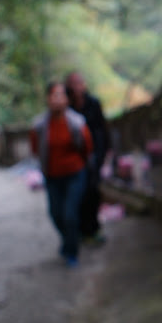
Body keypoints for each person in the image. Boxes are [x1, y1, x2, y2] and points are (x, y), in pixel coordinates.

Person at [30, 82, 93, 267]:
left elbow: (87, 148)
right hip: (52, 176)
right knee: (55, 214)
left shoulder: (77, 122)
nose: (56, 99)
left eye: (60, 95)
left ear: (67, 100)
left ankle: (71, 252)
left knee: (70, 214)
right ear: (48, 99)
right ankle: (68, 241)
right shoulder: (39, 125)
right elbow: (35, 149)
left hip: (75, 174)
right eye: (53, 95)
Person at [65, 71, 110, 245]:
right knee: (79, 195)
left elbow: (102, 129)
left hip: (94, 155)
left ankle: (93, 229)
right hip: (75, 158)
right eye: (73, 83)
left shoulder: (93, 103)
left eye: (79, 82)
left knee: (93, 192)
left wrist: (104, 152)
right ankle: (81, 230)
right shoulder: (66, 108)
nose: (76, 86)